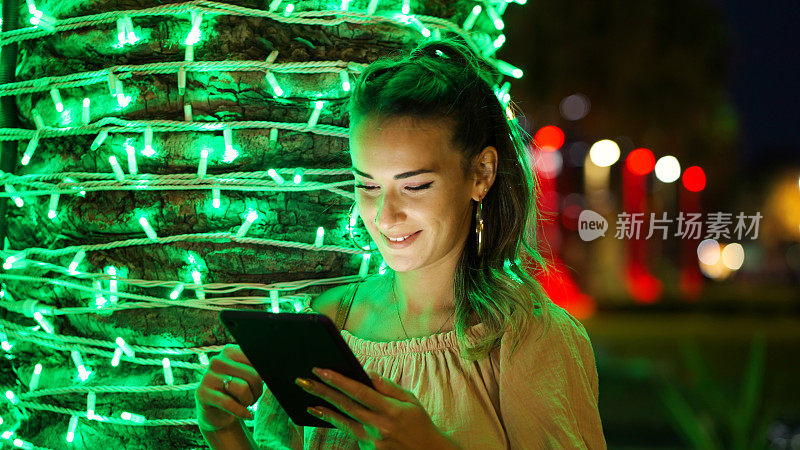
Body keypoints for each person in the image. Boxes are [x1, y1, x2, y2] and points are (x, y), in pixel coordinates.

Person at [195, 36, 607, 449]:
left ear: (481, 174)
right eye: (368, 184)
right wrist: (223, 430)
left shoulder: (526, 336)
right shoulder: (329, 322)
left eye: (415, 185)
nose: (385, 215)